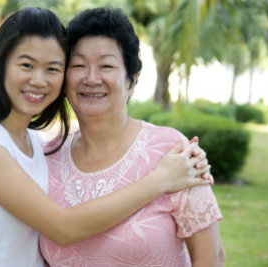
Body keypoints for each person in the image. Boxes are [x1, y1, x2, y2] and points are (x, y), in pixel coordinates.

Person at [0, 6, 213, 267]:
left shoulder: (39, 147)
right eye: (26, 65)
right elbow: (61, 228)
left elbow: (19, 240)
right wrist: (159, 181)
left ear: (132, 80)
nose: (38, 79)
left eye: (52, 68)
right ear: (0, 64)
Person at [39, 7, 225, 267]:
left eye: (106, 65)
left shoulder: (172, 151)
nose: (91, 78)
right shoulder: (46, 159)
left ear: (132, 81)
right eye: (78, 65)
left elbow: (211, 258)